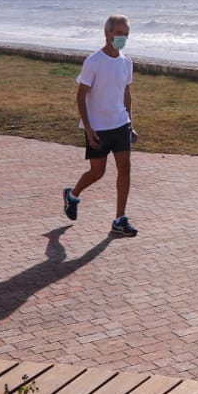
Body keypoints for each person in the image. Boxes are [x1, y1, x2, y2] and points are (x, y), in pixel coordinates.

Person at [64, 14, 137, 236]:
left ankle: (119, 219)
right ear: (107, 34)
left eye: (126, 33)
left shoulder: (126, 62)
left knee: (125, 169)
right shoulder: (93, 62)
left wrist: (130, 123)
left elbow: (126, 93)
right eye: (118, 33)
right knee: (97, 172)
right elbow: (80, 97)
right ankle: (73, 194)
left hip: (120, 124)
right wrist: (88, 127)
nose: (122, 37)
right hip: (98, 127)